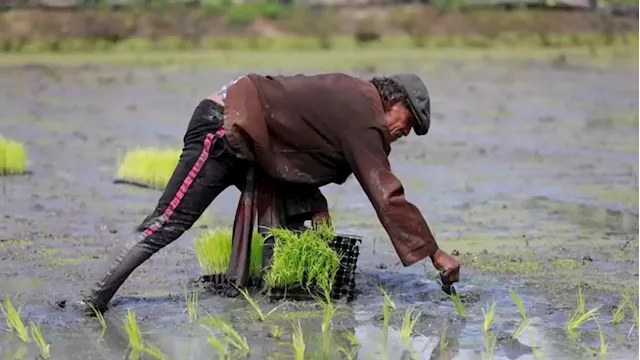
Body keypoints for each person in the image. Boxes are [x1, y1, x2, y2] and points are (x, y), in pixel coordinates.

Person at [82, 72, 461, 313]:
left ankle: (247, 294)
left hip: (253, 143)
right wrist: (433, 252)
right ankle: (94, 296)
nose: (404, 133)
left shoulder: (353, 100)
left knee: (285, 224)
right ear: (394, 103)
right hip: (224, 127)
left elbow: (298, 145)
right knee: (171, 221)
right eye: (408, 123)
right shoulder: (364, 116)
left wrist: (315, 201)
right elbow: (385, 192)